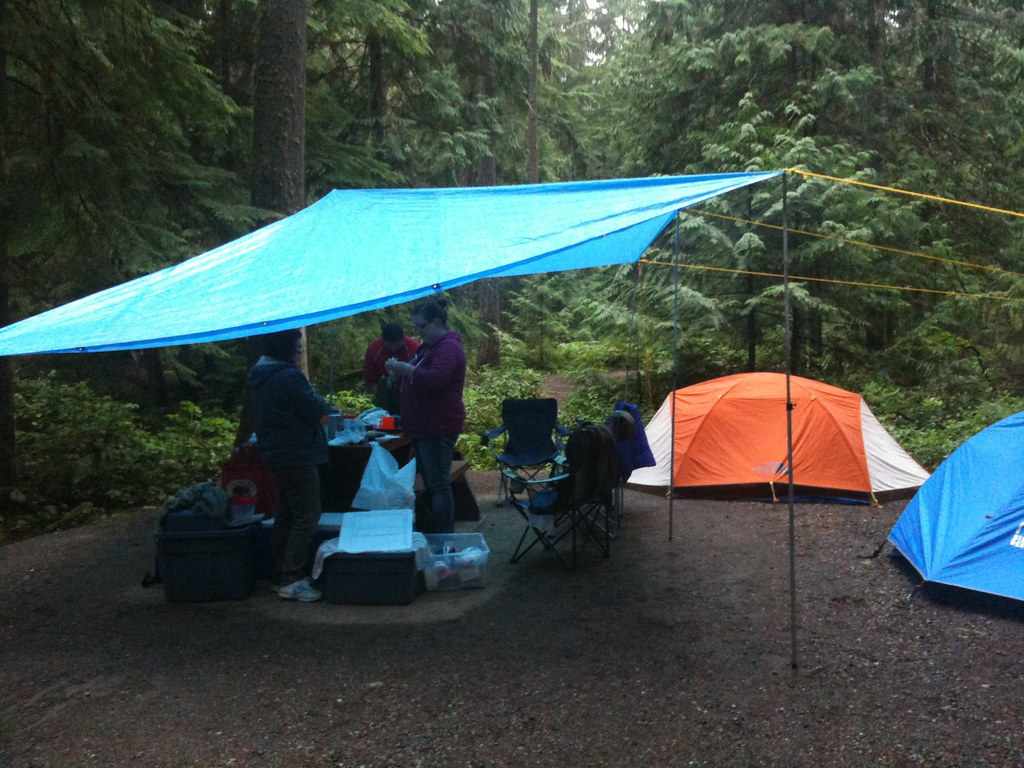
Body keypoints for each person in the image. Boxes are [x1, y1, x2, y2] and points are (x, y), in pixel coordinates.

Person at [246, 328, 329, 602]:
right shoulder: (288, 376)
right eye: (296, 347)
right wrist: (323, 403)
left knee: (287, 514)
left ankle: (279, 573)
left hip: (276, 453)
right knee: (307, 514)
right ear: (285, 348)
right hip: (297, 453)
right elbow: (315, 409)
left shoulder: (260, 374)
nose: (298, 352)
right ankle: (293, 578)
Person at [385, 299, 466, 534]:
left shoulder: (448, 347)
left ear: (438, 321)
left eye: (422, 326)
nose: (418, 332)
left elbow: (435, 379)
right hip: (423, 426)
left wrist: (406, 369)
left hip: (439, 425)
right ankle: (435, 533)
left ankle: (444, 538)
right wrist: (397, 377)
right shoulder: (426, 348)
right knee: (431, 484)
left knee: (439, 485)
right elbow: (414, 381)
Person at [363, 322, 419, 414]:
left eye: (396, 345)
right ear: (383, 340)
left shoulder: (413, 346)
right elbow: (370, 377)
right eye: (389, 346)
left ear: (403, 340)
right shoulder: (374, 348)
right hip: (384, 386)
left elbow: (420, 372)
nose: (393, 349)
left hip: (409, 387)